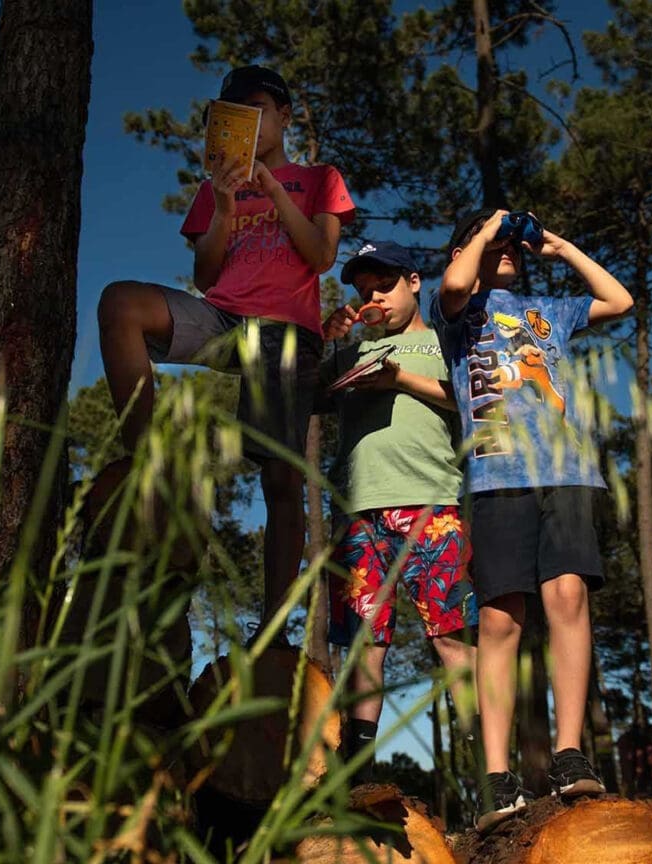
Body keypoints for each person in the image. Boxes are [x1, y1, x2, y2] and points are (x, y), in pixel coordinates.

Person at [97, 65, 355, 621]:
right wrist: (225, 206)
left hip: (286, 331)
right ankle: (148, 465)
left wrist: (273, 192)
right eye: (234, 112)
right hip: (223, 320)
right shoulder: (217, 187)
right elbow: (208, 277)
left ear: (284, 116)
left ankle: (273, 627)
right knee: (120, 302)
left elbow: (321, 255)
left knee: (281, 477)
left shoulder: (320, 179)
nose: (249, 122)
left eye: (259, 109)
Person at [427, 208, 633, 831]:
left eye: (512, 243)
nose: (509, 249)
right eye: (495, 243)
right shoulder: (455, 312)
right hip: (498, 477)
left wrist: (560, 245)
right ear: (469, 247)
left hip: (566, 475)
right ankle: (496, 776)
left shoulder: (550, 308)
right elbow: (457, 285)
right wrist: (486, 231)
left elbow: (618, 300)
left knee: (568, 597)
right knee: (500, 619)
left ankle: (569, 756)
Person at [315, 240, 478, 782]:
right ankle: (358, 773)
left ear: (413, 282)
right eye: (363, 292)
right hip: (359, 516)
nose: (373, 298)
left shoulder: (443, 342)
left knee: (450, 637)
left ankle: (490, 767)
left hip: (432, 507)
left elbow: (475, 400)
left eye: (383, 285)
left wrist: (401, 379)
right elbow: (299, 391)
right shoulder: (352, 352)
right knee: (365, 646)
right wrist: (326, 339)